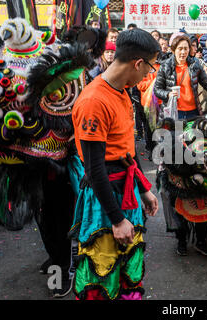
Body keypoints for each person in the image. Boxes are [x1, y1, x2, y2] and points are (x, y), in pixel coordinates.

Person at [70, 28, 159, 300]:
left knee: (128, 269)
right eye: (150, 67)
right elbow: (95, 169)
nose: (149, 75)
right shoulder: (94, 101)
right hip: (104, 200)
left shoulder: (122, 92)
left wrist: (144, 188)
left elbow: (127, 148)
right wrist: (117, 219)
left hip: (127, 191)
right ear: (138, 63)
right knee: (102, 270)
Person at [153, 34, 207, 256]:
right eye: (180, 48)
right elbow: (157, 90)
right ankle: (181, 237)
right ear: (174, 49)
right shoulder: (165, 67)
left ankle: (202, 236)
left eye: (187, 48)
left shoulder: (196, 65)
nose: (183, 52)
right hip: (173, 124)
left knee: (200, 175)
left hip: (195, 123)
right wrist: (169, 93)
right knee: (175, 179)